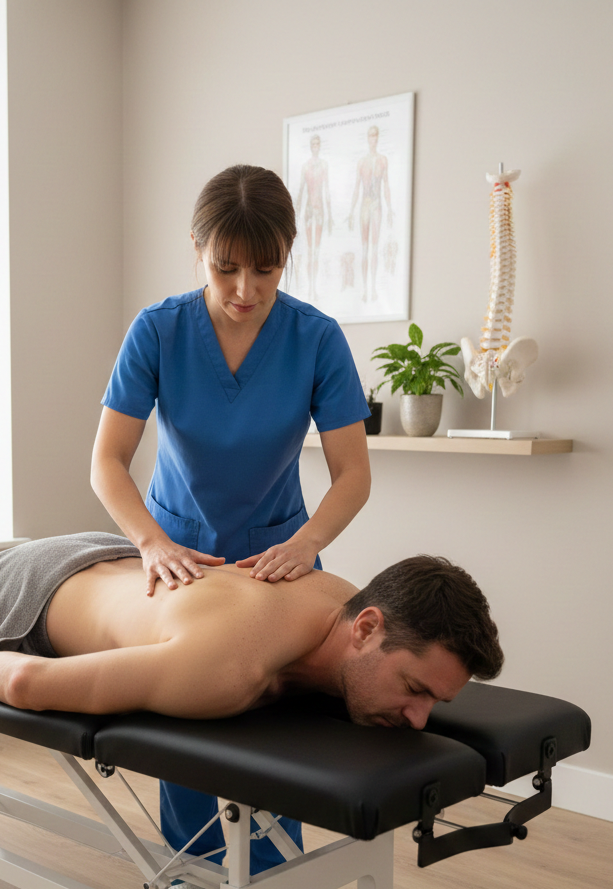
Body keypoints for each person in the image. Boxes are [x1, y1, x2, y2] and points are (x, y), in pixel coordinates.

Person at [90, 164, 372, 870]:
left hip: (281, 560)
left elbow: (354, 475)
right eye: (226, 269)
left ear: (288, 255)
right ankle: (191, 876)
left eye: (266, 270)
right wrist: (151, 544)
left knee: (277, 742)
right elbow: (107, 462)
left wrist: (307, 545)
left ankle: (282, 878)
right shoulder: (158, 330)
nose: (245, 290)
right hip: (178, 558)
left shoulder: (317, 338)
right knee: (191, 745)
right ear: (196, 247)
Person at [0, 533, 503, 727]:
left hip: (111, 563)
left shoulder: (342, 597)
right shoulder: (226, 666)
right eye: (414, 690)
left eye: (431, 704)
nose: (415, 717)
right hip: (31, 600)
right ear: (368, 627)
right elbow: (27, 680)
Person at [347, 125, 394, 303]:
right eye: (370, 135)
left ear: (378, 138)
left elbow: (386, 185)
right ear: (368, 138)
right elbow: (357, 188)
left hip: (377, 205)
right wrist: (351, 211)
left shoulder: (383, 160)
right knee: (365, 249)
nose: (373, 138)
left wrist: (389, 209)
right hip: (365, 205)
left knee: (374, 248)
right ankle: (365, 289)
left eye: (375, 135)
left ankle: (373, 287)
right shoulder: (362, 162)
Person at [295, 134, 333, 300]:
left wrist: (330, 215)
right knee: (310, 251)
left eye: (318, 143)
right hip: (310, 210)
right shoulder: (305, 167)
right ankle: (310, 289)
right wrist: (295, 215)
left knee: (316, 251)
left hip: (320, 210)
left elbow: (326, 190)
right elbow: (302, 191)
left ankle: (314, 288)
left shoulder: (324, 165)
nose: (315, 146)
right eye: (313, 144)